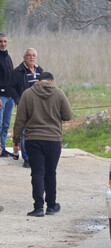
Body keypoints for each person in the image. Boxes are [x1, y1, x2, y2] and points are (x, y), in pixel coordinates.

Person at [13, 72, 72, 217]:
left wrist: (16, 139)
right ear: (52, 81)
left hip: (33, 139)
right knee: (50, 173)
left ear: (38, 81)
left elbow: (20, 119)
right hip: (53, 139)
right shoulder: (59, 93)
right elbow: (68, 115)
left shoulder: (28, 94)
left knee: (37, 172)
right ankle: (51, 206)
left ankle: (38, 207)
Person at [13, 48, 44, 168]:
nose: (31, 57)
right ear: (24, 57)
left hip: (39, 107)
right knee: (25, 131)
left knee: (38, 131)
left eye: (33, 56)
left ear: (36, 58)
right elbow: (11, 88)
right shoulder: (18, 72)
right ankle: (26, 158)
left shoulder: (41, 72)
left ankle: (36, 156)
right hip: (24, 105)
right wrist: (18, 100)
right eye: (29, 55)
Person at [0, 33, 14, 157]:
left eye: (5, 41)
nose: (3, 44)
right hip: (1, 96)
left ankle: (2, 148)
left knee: (6, 124)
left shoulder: (8, 57)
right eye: (0, 41)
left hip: (10, 97)